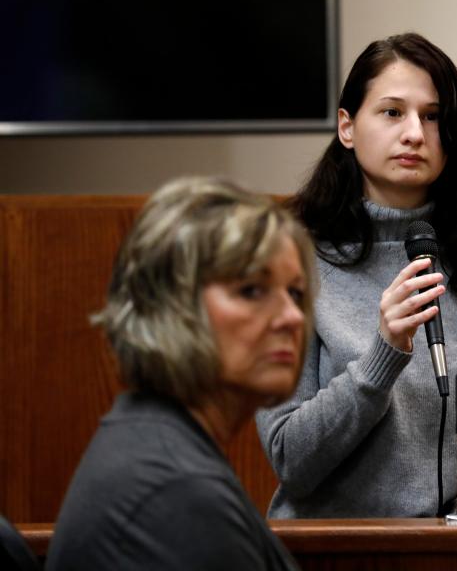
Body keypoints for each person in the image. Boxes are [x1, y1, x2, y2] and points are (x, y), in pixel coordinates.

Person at [256, 32, 457, 518]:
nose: (414, 134)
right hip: (326, 550)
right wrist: (382, 355)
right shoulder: (290, 265)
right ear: (347, 127)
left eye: (432, 116)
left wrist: (456, 547)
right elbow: (290, 458)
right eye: (392, 112)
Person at [47, 177, 314, 570]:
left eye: (295, 292)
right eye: (252, 290)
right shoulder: (173, 492)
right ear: (169, 304)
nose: (293, 317)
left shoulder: (154, 442)